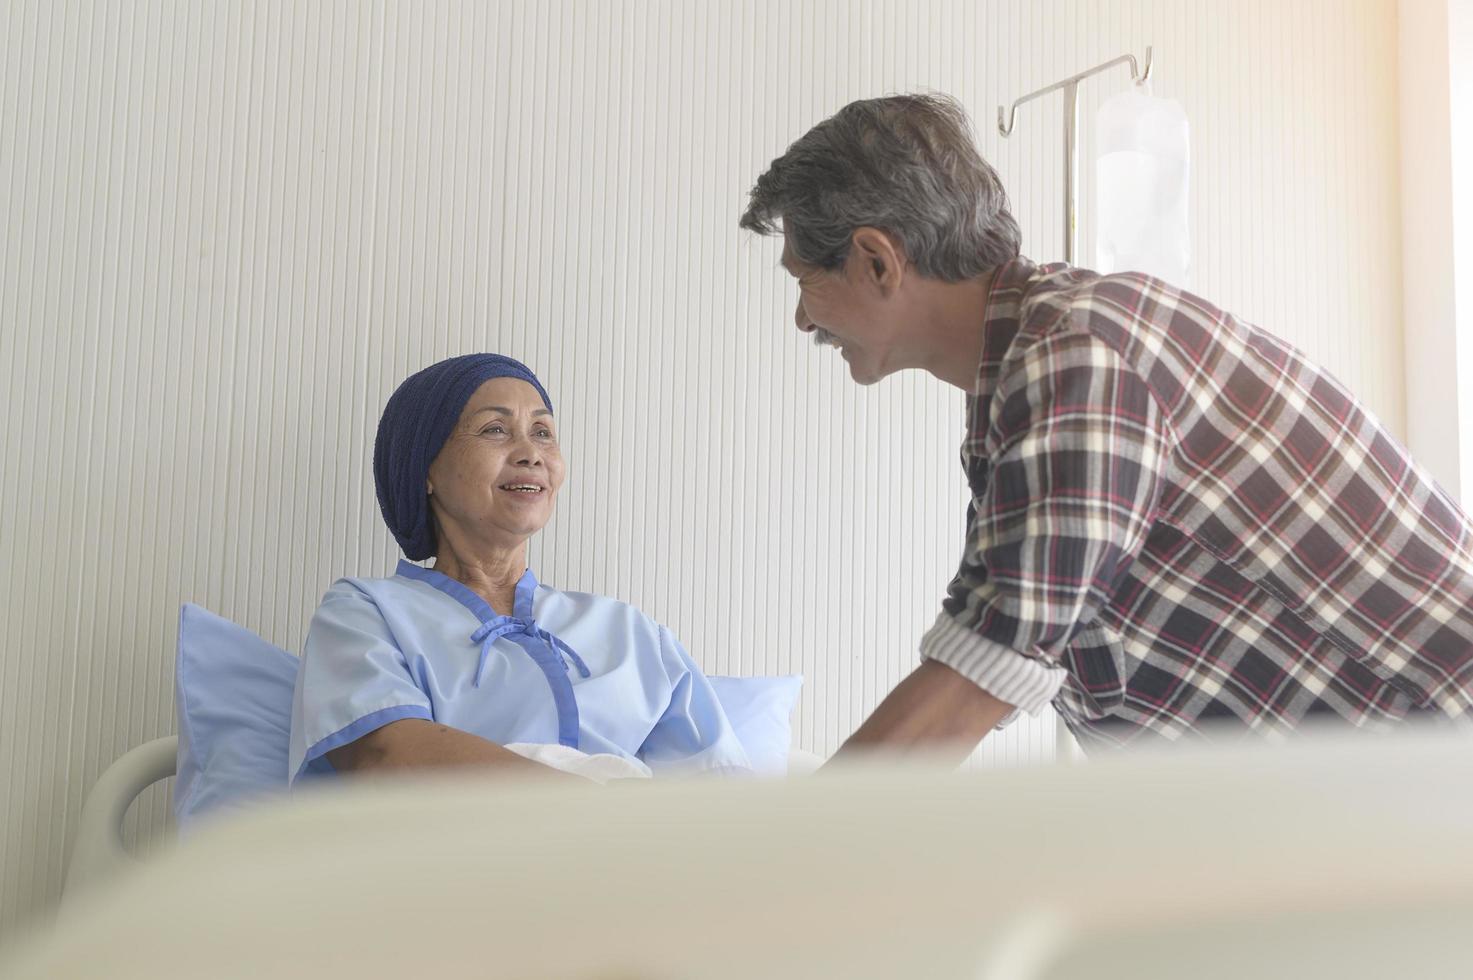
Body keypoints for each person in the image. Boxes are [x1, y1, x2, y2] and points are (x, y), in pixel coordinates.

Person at [739, 93, 1473, 759]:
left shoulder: (1078, 355)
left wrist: (779, 871)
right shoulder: (1023, 382)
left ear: (876, 261)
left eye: (804, 280)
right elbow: (1000, 628)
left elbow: (980, 670)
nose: (803, 317)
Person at [287, 354, 750, 782]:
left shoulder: (631, 631)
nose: (532, 454)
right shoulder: (364, 612)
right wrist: (593, 812)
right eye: (495, 429)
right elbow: (385, 756)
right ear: (424, 468)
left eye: (544, 432)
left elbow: (718, 792)